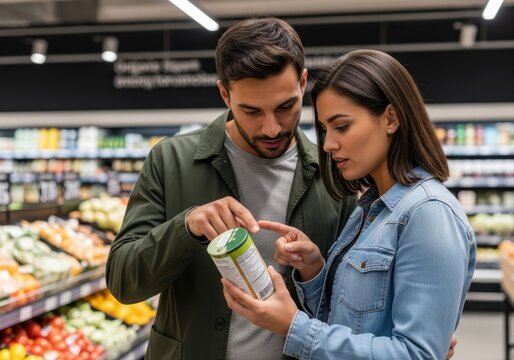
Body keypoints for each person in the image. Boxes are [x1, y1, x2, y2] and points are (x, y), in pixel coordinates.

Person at [105, 17, 357, 360]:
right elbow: (124, 282)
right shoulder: (171, 160)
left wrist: (315, 268)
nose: (271, 128)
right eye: (251, 111)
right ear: (225, 93)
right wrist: (187, 227)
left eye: (285, 106)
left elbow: (349, 305)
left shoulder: (334, 172)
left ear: (302, 82)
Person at [221, 49, 476, 360]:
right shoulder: (368, 210)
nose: (328, 144)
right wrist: (314, 268)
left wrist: (293, 326)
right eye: (325, 130)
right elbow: (349, 322)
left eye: (341, 127)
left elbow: (416, 355)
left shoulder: (429, 214)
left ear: (391, 118)